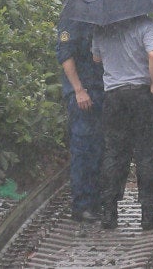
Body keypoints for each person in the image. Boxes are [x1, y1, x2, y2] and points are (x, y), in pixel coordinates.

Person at [91, 14, 153, 231]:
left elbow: (96, 59)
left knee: (114, 153)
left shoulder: (101, 27)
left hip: (114, 97)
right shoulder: (146, 24)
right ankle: (148, 214)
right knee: (147, 153)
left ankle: (109, 213)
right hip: (142, 95)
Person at [56, 18, 104, 222]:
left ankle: (96, 200)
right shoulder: (70, 20)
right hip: (81, 92)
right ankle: (82, 204)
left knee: (99, 147)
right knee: (83, 148)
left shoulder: (96, 18)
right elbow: (65, 56)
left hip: (100, 88)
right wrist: (78, 89)